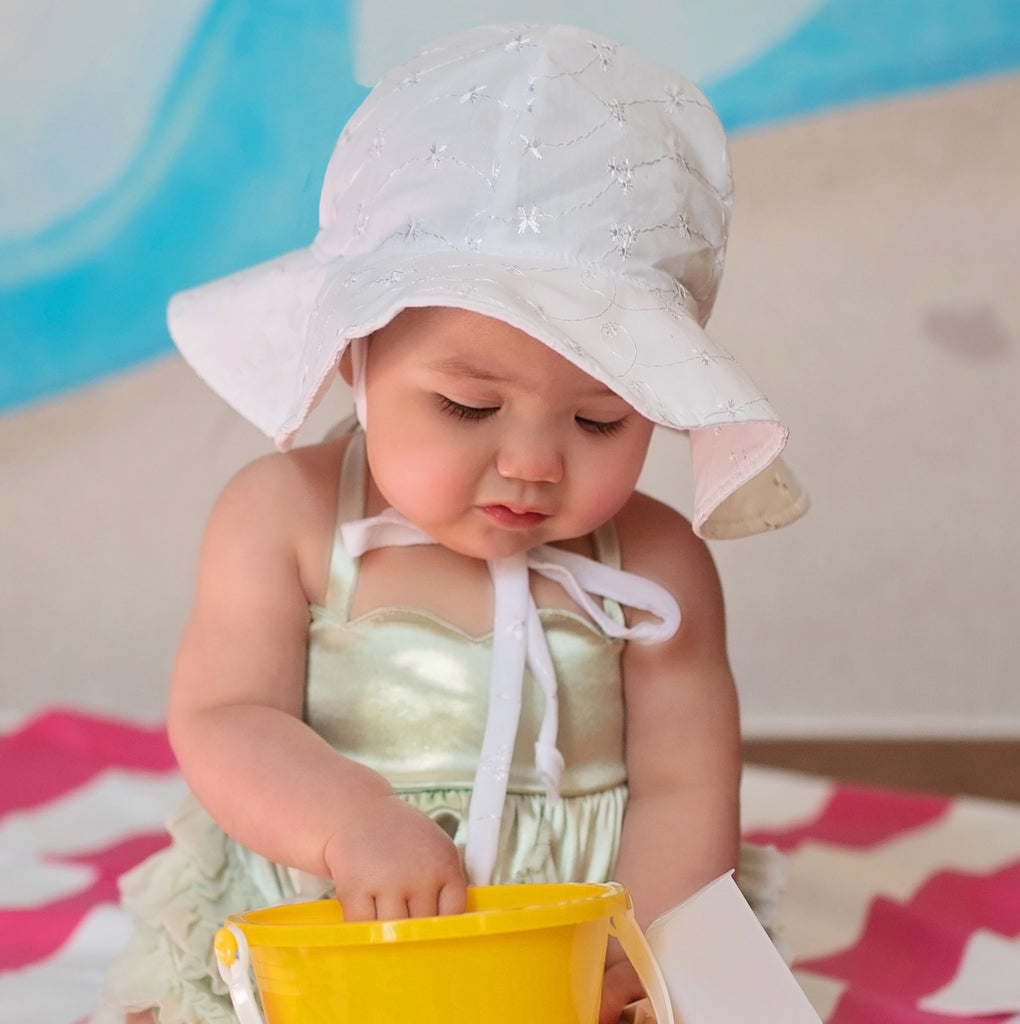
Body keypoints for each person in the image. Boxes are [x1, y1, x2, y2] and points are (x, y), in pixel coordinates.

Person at [94, 22, 807, 1024]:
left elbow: (684, 785)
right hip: (329, 918)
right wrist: (349, 820)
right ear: (357, 359)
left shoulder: (654, 561)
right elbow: (224, 717)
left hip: (571, 932)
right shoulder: (285, 517)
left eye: (601, 419)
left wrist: (633, 938)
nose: (530, 461)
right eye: (469, 408)